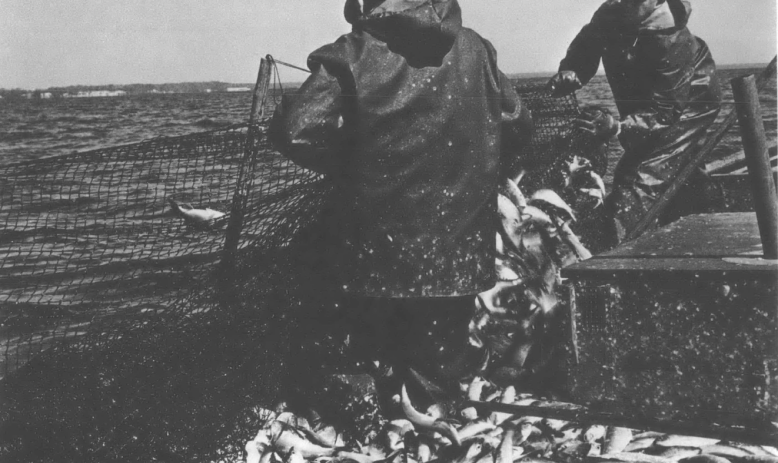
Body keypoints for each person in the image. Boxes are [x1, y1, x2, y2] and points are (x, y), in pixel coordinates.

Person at [269, 0, 532, 406]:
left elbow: (298, 133)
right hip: (457, 256)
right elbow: (517, 125)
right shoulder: (476, 49)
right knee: (435, 388)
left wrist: (357, 162)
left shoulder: (351, 52)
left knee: (372, 372)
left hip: (375, 256)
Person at [548, 0, 722, 244]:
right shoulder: (611, 12)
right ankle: (701, 213)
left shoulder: (671, 40)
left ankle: (618, 252)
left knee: (642, 172)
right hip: (643, 99)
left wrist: (617, 127)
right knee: (673, 162)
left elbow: (666, 113)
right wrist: (572, 70)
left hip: (690, 101)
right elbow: (588, 42)